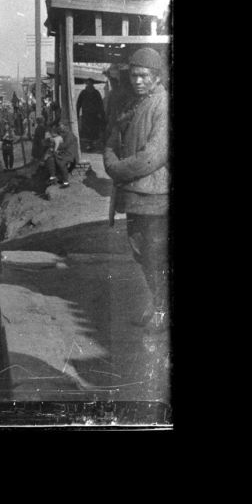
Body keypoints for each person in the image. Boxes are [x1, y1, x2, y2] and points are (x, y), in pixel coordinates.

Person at [104, 47, 169, 329]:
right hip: (134, 195)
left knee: (154, 253)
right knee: (140, 251)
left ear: (156, 78)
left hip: (154, 194)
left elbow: (153, 157)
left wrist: (116, 169)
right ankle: (157, 304)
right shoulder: (132, 104)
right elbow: (111, 141)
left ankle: (161, 310)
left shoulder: (162, 105)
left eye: (143, 76)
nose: (137, 81)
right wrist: (109, 158)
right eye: (133, 76)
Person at [77, 79, 107, 154]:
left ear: (92, 84)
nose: (89, 85)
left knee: (94, 131)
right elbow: (78, 104)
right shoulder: (83, 93)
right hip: (86, 115)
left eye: (90, 84)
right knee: (87, 131)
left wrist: (101, 114)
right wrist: (76, 113)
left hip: (94, 116)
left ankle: (92, 145)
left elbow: (100, 104)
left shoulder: (96, 93)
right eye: (87, 84)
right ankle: (88, 145)